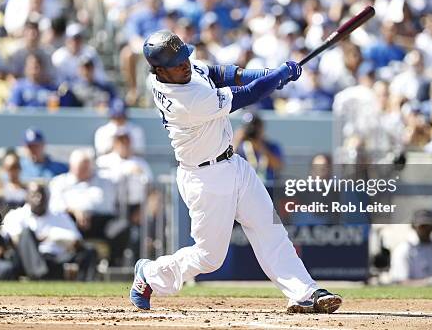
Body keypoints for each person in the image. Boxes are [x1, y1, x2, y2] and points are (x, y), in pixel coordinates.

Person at [129, 30, 342, 314]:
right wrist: (276, 78)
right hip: (205, 178)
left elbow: (222, 73)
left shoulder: (178, 73)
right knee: (209, 257)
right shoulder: (187, 101)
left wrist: (269, 73)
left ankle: (304, 292)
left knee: (269, 229)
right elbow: (247, 94)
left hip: (234, 164)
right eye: (176, 62)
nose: (185, 64)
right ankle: (150, 273)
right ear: (159, 70)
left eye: (184, 57)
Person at [1, 182, 97, 281]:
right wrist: (37, 240)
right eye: (34, 195)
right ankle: (39, 275)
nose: (39, 198)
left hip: (56, 259)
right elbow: (14, 240)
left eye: (42, 194)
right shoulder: (16, 215)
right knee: (26, 233)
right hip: (28, 261)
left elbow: (77, 241)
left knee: (89, 250)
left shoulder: (59, 216)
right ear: (27, 197)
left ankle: (85, 287)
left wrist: (60, 238)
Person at [389, 210, 432, 284]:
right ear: (414, 227)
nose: (426, 230)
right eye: (422, 226)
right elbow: (401, 282)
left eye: (428, 226)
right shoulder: (404, 249)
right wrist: (428, 282)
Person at [233, 112, 283, 187]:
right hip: (244, 186)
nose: (253, 131)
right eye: (250, 128)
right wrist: (236, 140)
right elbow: (228, 161)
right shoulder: (240, 147)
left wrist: (262, 148)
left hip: (267, 187)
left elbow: (278, 166)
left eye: (256, 128)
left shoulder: (271, 146)